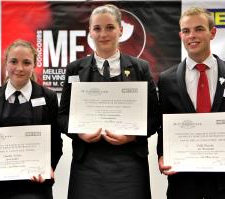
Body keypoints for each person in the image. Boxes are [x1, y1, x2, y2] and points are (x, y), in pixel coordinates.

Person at [58, 4, 159, 199]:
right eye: (97, 28)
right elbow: (62, 117)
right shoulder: (74, 69)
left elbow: (154, 117)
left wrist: (133, 136)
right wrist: (79, 133)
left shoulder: (140, 68)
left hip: (130, 163)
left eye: (110, 27)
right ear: (90, 32)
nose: (103, 34)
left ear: (121, 30)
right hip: (87, 163)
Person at [157, 7, 225, 199]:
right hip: (182, 184)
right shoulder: (166, 79)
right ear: (180, 35)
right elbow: (165, 128)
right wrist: (162, 155)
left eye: (199, 29)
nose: (192, 36)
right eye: (186, 31)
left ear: (212, 33)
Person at [0, 39, 63, 199]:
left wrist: (48, 167)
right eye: (13, 61)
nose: (19, 68)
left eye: (26, 62)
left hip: (34, 185)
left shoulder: (49, 97)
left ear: (34, 65)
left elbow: (55, 141)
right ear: (6, 63)